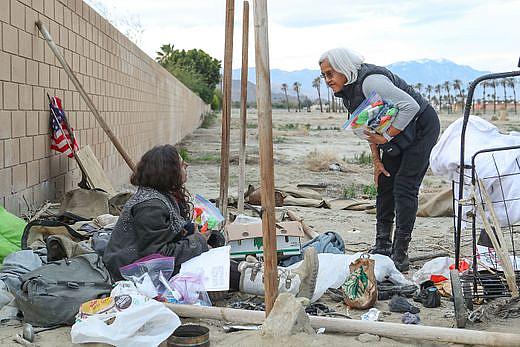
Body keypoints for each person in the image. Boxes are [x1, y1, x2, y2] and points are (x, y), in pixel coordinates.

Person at [103, 144, 319, 299]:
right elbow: (157, 256)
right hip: (135, 273)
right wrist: (197, 240)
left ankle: (288, 280)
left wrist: (195, 234)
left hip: (146, 265)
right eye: (181, 163)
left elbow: (168, 236)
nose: (186, 165)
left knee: (219, 260)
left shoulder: (161, 197)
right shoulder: (150, 206)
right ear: (168, 171)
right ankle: (290, 287)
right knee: (216, 268)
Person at [319, 48, 440, 272]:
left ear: (344, 68)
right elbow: (368, 126)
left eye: (330, 73)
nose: (327, 80)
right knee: (385, 183)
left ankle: (400, 253)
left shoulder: (371, 81)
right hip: (397, 131)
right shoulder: (349, 93)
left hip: (422, 126)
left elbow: (410, 107)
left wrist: (385, 136)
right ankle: (382, 245)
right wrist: (377, 162)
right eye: (324, 75)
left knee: (404, 186)